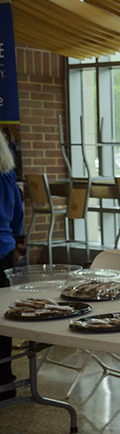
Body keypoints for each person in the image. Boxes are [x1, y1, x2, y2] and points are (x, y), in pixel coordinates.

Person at [0, 140, 23, 400]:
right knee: (3, 320)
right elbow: (17, 215)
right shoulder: (6, 173)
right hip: (4, 250)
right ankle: (5, 379)